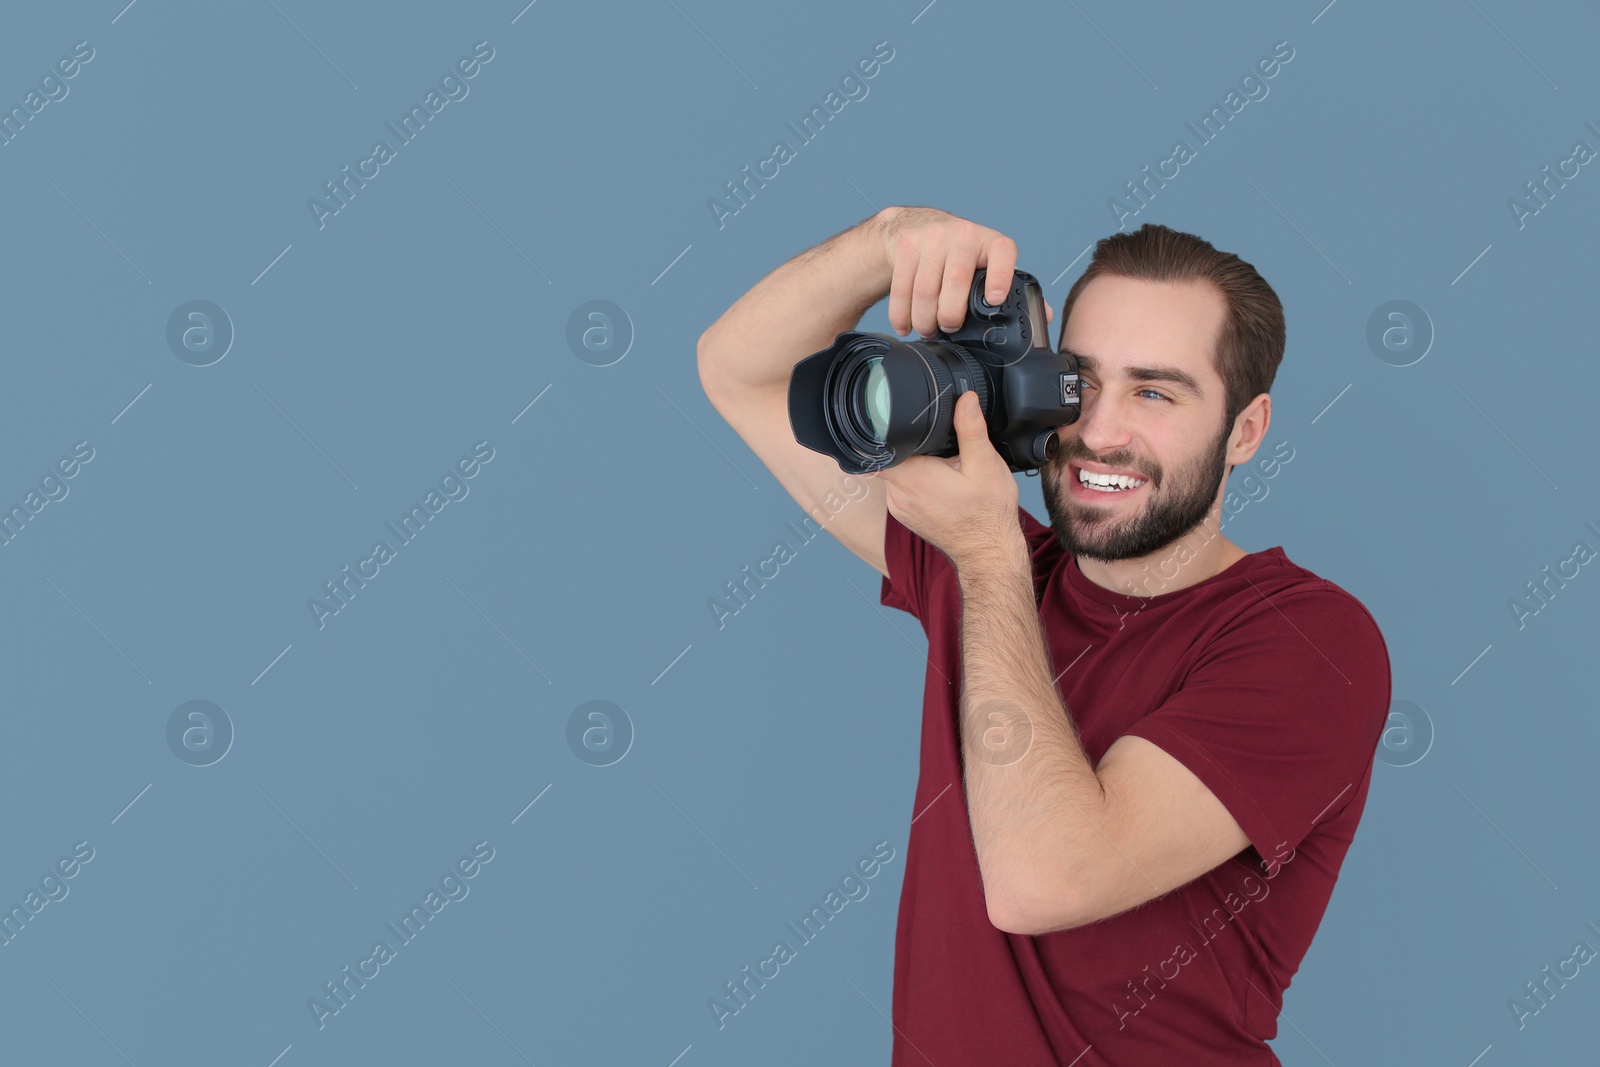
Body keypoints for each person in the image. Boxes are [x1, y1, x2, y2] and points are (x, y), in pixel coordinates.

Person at [696, 206, 1391, 1065]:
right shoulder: (984, 567)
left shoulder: (1310, 642)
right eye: (1082, 380)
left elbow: (1044, 879)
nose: (1100, 431)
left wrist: (989, 553)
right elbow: (742, 371)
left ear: (1245, 430)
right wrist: (884, 244)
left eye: (1155, 391)